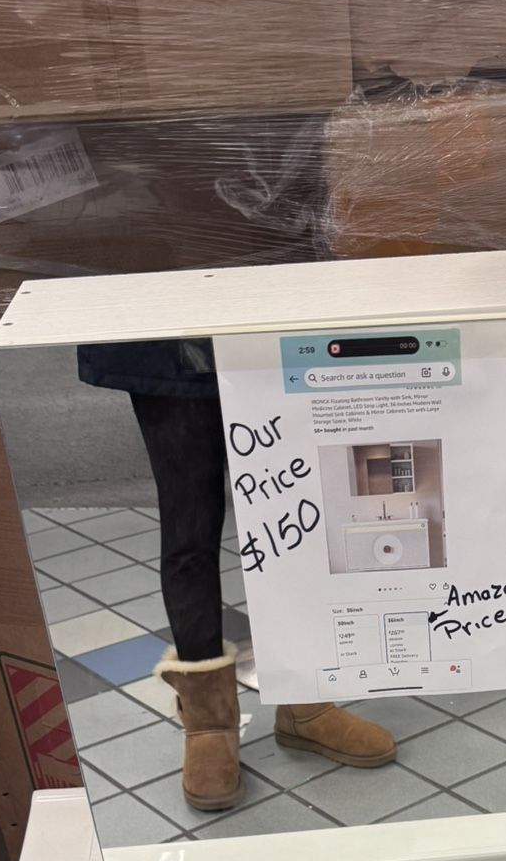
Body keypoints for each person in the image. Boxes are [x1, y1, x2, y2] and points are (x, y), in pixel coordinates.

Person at [77, 341, 395, 812]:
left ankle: (304, 698)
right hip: (166, 325)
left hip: (272, 322)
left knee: (295, 522)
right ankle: (208, 721)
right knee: (188, 523)